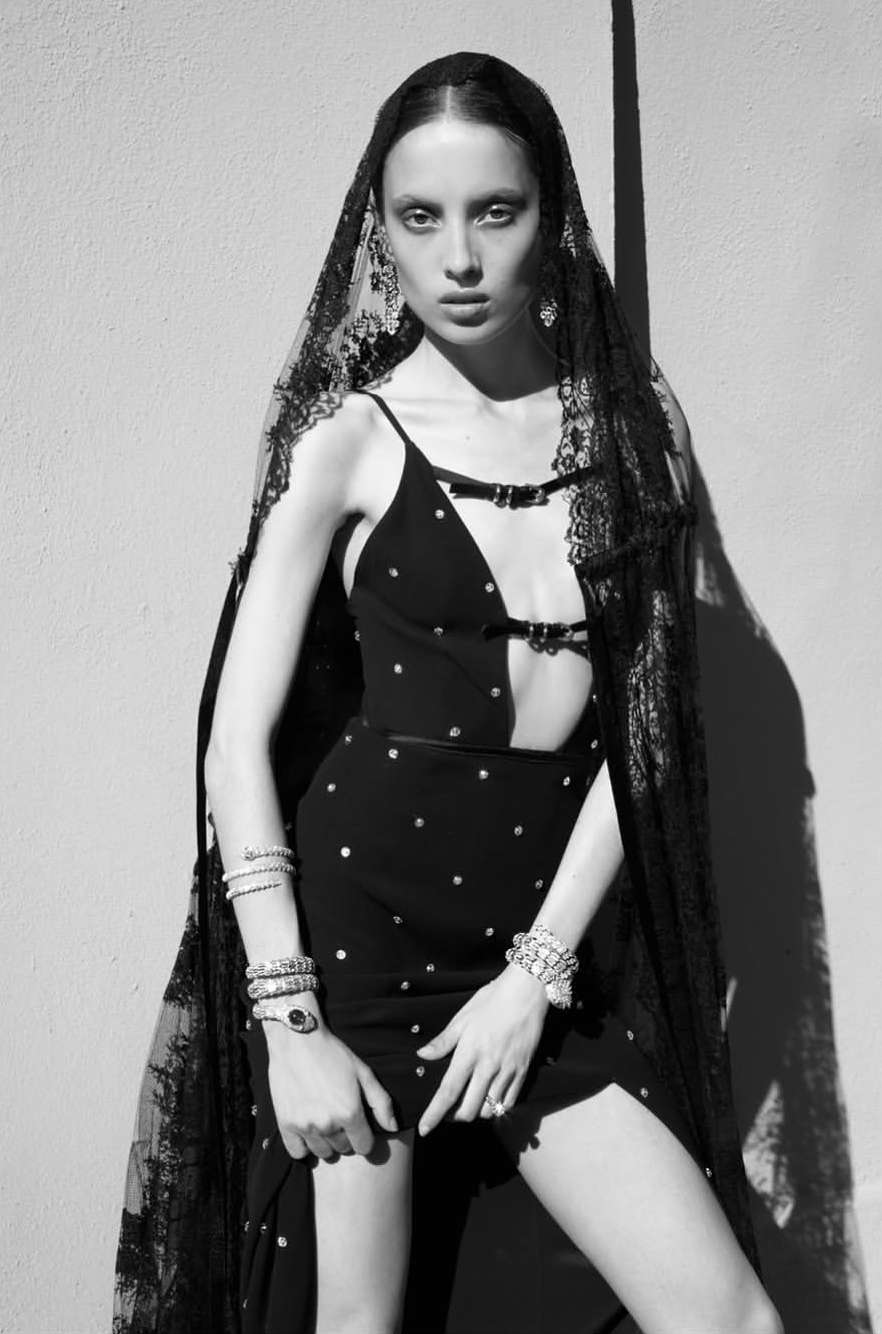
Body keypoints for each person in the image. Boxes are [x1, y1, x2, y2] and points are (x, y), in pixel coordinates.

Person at [113, 52, 784, 1334]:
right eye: (423, 219)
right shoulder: (346, 438)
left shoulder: (632, 430)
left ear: (554, 215)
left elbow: (637, 738)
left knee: (727, 1318)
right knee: (364, 1326)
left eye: (497, 211)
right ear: (381, 233)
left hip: (534, 941)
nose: (461, 258)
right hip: (359, 943)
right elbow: (238, 741)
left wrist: (539, 972)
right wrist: (288, 1019)